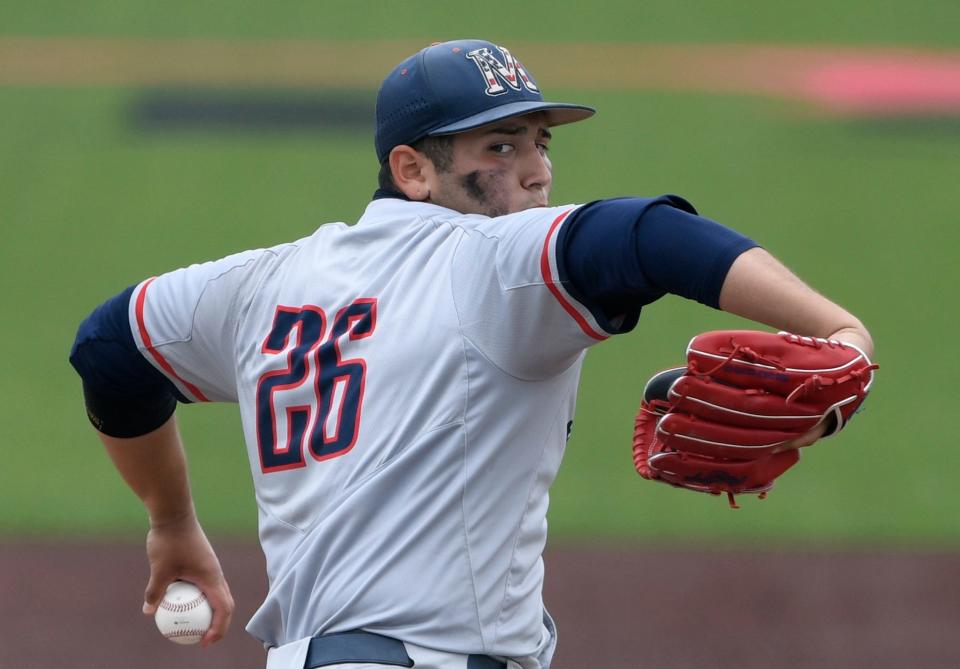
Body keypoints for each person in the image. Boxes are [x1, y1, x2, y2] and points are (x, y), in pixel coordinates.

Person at [70, 39, 874, 669]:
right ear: (413, 170)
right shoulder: (488, 262)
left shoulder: (263, 283)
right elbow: (647, 235)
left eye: (539, 141)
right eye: (498, 148)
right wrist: (841, 332)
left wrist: (171, 523)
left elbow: (109, 348)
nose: (534, 172)